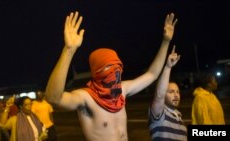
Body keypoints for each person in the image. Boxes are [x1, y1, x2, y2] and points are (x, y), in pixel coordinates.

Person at [45, 11, 177, 141]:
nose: (114, 71)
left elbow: (152, 74)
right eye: (108, 66)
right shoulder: (86, 97)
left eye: (117, 66)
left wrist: (165, 41)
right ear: (97, 71)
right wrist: (69, 50)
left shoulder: (122, 90)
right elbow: (53, 98)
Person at [148, 46, 187, 141]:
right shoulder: (160, 114)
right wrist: (168, 67)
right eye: (171, 92)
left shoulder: (179, 115)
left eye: (178, 92)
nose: (176, 95)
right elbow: (159, 96)